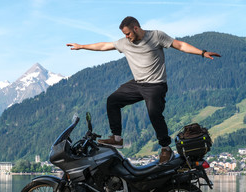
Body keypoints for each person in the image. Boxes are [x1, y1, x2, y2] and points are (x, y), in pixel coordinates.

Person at [67, 16, 221, 164]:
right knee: (112, 100)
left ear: (136, 28)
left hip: (156, 85)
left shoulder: (156, 36)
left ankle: (166, 148)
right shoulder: (125, 43)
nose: (126, 37)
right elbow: (104, 45)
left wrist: (202, 52)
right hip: (137, 84)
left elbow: (180, 45)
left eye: (128, 33)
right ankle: (117, 138)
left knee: (154, 113)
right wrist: (81, 46)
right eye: (124, 35)